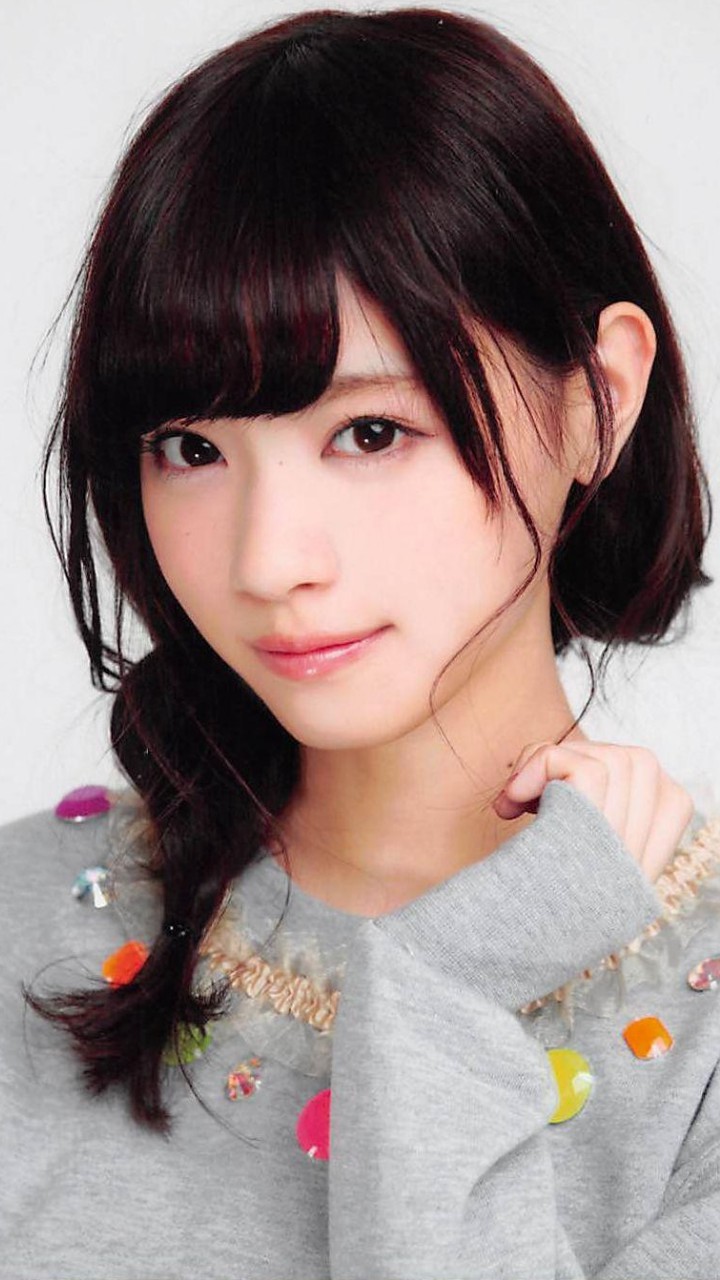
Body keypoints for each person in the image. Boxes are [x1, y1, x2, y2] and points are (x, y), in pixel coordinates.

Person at [1, 6, 718, 1277]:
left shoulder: (698, 1048)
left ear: (600, 400)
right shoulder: (22, 919)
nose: (267, 560)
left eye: (371, 433)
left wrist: (447, 984)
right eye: (191, 447)